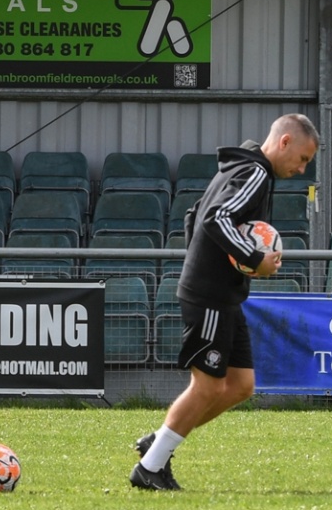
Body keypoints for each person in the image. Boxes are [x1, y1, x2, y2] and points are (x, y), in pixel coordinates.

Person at [129, 113, 320, 490]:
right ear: (284, 142)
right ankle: (150, 469)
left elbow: (194, 214)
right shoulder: (255, 174)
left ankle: (160, 441)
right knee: (208, 387)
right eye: (302, 158)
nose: (301, 169)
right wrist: (252, 260)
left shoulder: (243, 169)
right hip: (211, 296)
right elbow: (215, 217)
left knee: (241, 385)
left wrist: (225, 265)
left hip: (224, 294)